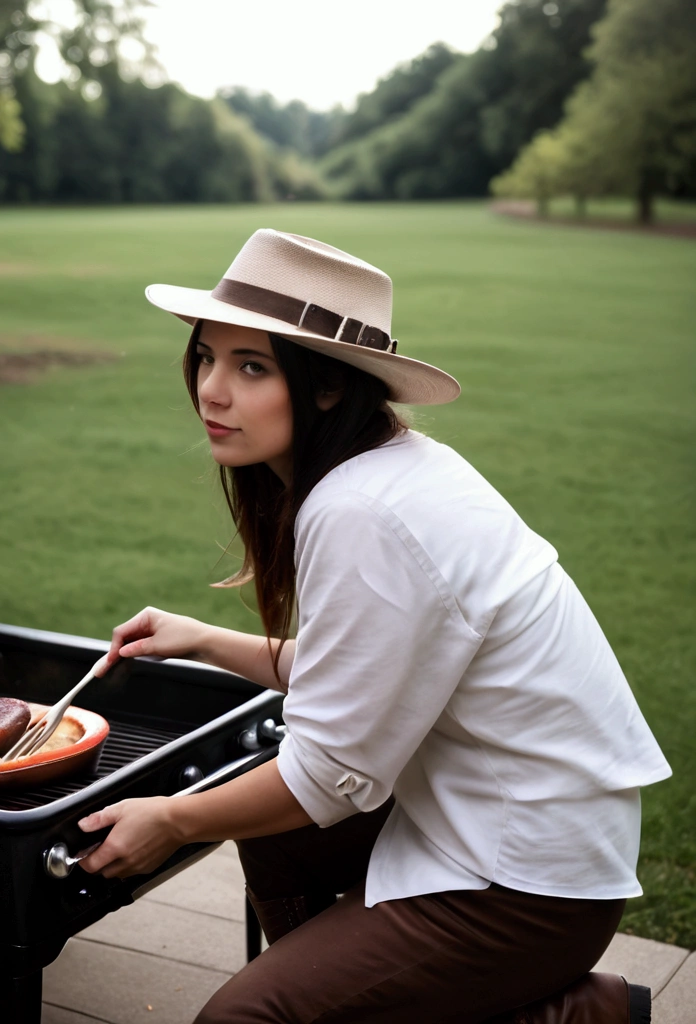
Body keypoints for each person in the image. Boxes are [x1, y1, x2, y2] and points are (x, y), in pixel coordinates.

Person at [76, 229, 671, 1023]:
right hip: (496, 816)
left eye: (252, 366)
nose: (212, 391)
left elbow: (329, 775)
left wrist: (173, 820)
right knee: (276, 837)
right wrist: (207, 639)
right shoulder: (390, 465)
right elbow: (362, 682)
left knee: (242, 1019)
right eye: (207, 357)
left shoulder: (363, 511)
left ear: (326, 386)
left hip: (531, 879)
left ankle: (575, 1013)